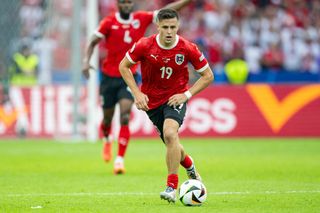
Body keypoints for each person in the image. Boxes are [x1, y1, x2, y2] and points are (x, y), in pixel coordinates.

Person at [82, 0, 192, 175]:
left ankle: (119, 160)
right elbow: (93, 40)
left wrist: (186, 2)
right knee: (107, 118)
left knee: (125, 115)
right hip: (109, 77)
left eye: (129, 2)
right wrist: (86, 61)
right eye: (123, 3)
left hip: (129, 76)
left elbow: (165, 12)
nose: (127, 5)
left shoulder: (141, 18)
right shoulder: (109, 22)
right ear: (118, 5)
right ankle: (107, 138)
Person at [119, 8, 214, 203]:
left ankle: (171, 186)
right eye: (165, 27)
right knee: (172, 144)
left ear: (178, 26)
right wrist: (137, 93)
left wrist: (186, 95)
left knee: (171, 134)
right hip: (152, 103)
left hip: (175, 99)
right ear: (158, 27)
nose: (169, 32)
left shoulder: (188, 48)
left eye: (173, 27)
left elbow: (208, 76)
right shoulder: (145, 45)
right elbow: (124, 66)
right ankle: (190, 167)